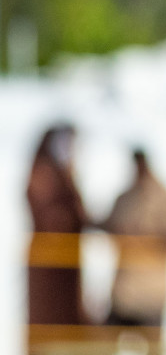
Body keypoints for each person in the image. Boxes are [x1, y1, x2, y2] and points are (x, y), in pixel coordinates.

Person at [102, 149, 166, 338]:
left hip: (151, 295)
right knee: (104, 343)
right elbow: (107, 225)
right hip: (123, 294)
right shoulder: (124, 200)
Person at [26, 125, 91, 338]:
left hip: (67, 266)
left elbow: (79, 215)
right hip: (48, 266)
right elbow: (53, 219)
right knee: (48, 321)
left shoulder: (66, 174)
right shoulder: (42, 173)